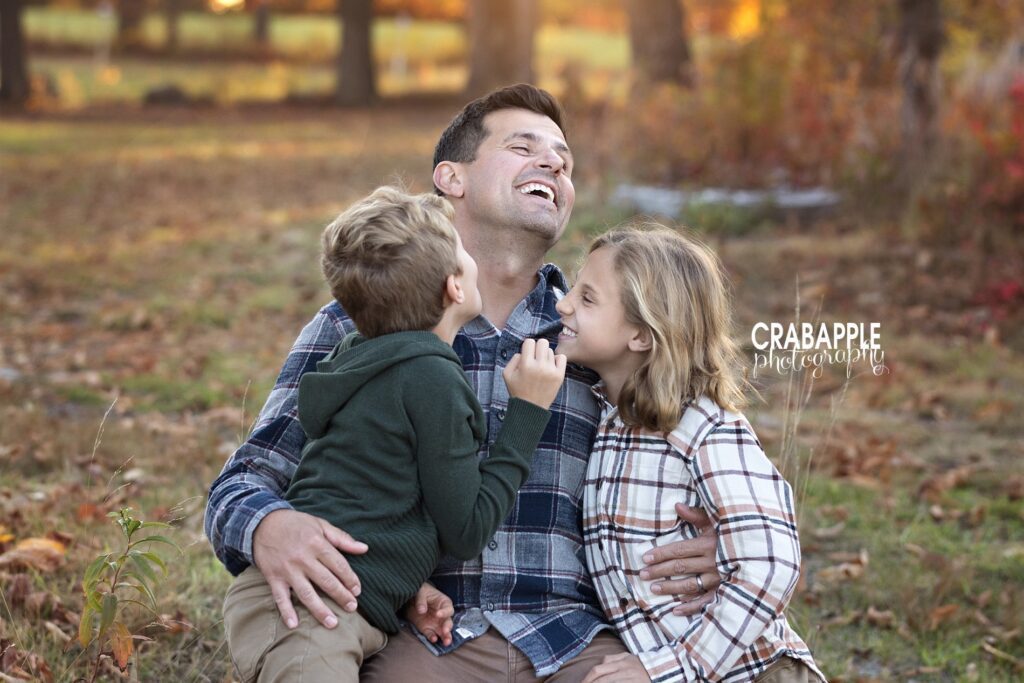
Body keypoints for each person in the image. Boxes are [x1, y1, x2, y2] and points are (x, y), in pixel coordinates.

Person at [205, 84, 723, 680]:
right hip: (426, 634)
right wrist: (267, 525)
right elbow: (245, 479)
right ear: (451, 179)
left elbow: (710, 465)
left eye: (564, 160)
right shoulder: (361, 324)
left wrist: (722, 547)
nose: (553, 164)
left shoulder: (605, 333)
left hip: (572, 636)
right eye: (523, 147)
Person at [221, 186, 567, 681]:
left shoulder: (357, 358)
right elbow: (467, 530)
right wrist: (527, 414)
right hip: (310, 608)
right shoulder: (432, 378)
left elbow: (370, 496)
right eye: (463, 252)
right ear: (454, 286)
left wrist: (400, 586)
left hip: (340, 604)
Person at [552, 226, 825, 683]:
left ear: (641, 335)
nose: (563, 304)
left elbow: (771, 563)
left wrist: (673, 667)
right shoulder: (606, 422)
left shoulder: (704, 428)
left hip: (755, 672)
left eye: (588, 298)